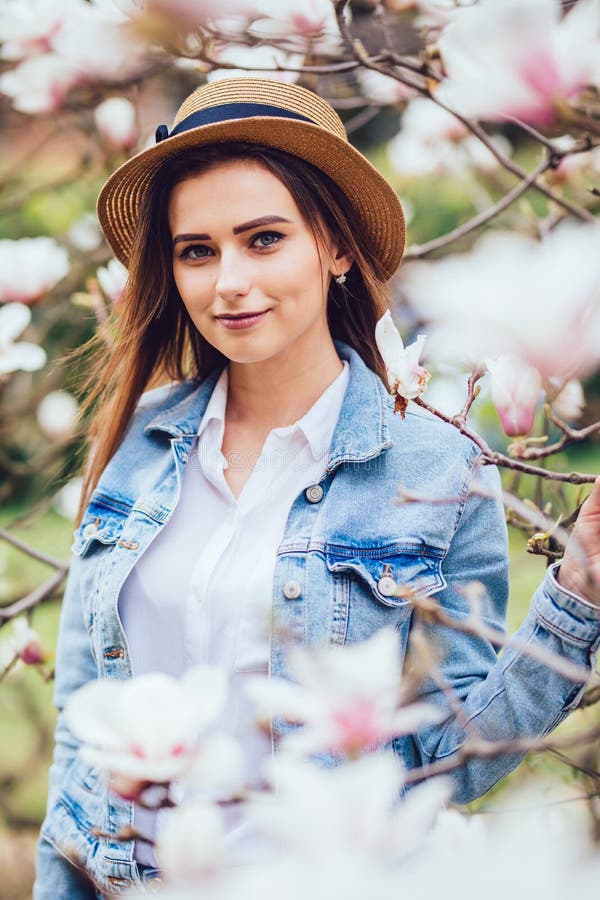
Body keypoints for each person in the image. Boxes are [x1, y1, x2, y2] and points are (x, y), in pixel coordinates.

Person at [34, 77, 600, 899]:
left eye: (263, 239)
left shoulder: (437, 465)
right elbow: (85, 721)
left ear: (335, 248)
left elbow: (449, 754)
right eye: (197, 250)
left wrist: (577, 593)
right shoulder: (140, 441)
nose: (227, 280)